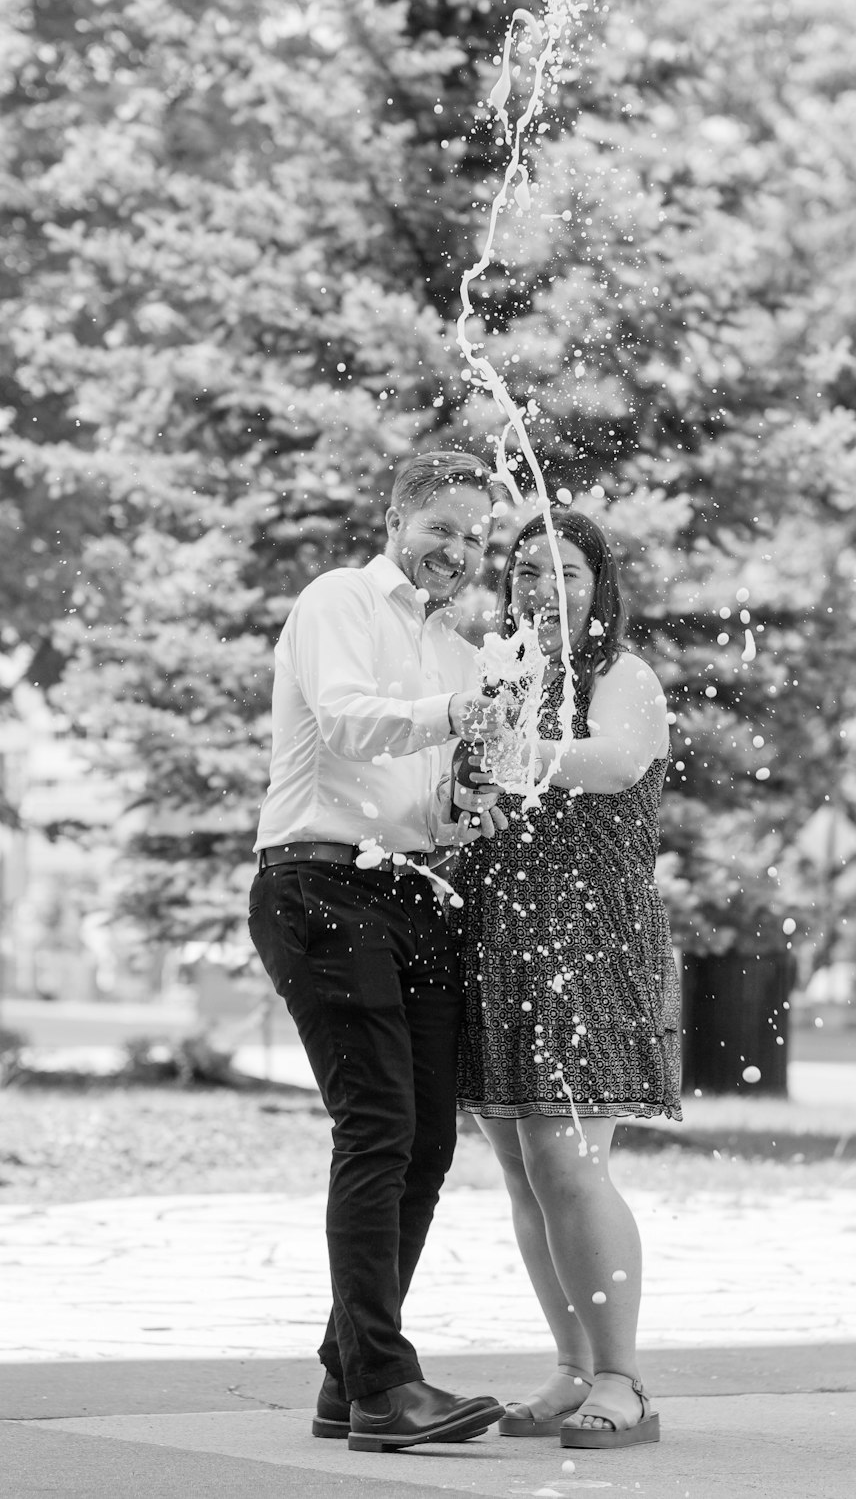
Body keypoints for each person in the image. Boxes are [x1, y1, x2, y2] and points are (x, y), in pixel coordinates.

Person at [248, 449, 510, 1453]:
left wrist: (462, 802)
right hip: (317, 884)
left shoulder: (456, 651)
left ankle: (343, 1377)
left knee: (429, 1142)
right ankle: (386, 1389)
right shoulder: (337, 601)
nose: (456, 549)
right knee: (376, 1128)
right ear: (397, 517)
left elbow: (424, 800)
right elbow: (351, 726)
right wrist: (452, 716)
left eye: (473, 535)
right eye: (440, 526)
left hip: (410, 890)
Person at [452, 508, 683, 1450]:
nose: (545, 589)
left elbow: (614, 761)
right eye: (528, 572)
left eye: (569, 573)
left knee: (570, 1162)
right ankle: (572, 1365)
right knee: (521, 1166)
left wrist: (509, 756)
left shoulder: (621, 678)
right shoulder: (496, 676)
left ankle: (625, 1382)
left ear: (602, 590)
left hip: (592, 941)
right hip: (503, 942)